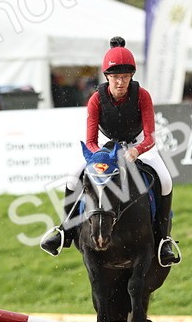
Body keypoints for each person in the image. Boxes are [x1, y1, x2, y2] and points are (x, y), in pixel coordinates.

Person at [40, 36, 181, 266]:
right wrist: (102, 156)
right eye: (115, 77)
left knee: (165, 180)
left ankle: (163, 239)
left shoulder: (142, 95)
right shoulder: (96, 99)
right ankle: (64, 231)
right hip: (105, 147)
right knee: (73, 177)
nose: (120, 82)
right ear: (107, 77)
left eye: (125, 77)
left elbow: (150, 136)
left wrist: (136, 151)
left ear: (131, 77)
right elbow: (90, 140)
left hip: (138, 146)